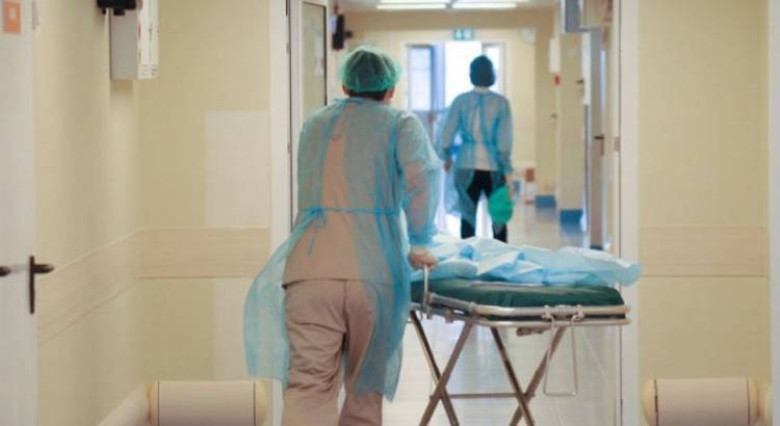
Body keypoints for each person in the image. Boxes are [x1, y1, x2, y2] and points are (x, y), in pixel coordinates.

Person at [243, 45, 440, 426]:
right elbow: (421, 178)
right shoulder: (401, 124)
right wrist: (420, 241)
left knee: (308, 388)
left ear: (346, 86)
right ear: (391, 89)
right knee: (364, 390)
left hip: (311, 273)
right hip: (373, 274)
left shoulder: (315, 125)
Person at [438, 55, 514, 243]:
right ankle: (502, 255)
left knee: (467, 217)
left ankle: (468, 255)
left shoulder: (460, 101)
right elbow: (504, 141)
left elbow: (446, 134)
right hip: (494, 167)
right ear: (492, 75)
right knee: (499, 215)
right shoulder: (501, 103)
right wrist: (507, 168)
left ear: (471, 75)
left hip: (465, 165)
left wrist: (446, 157)